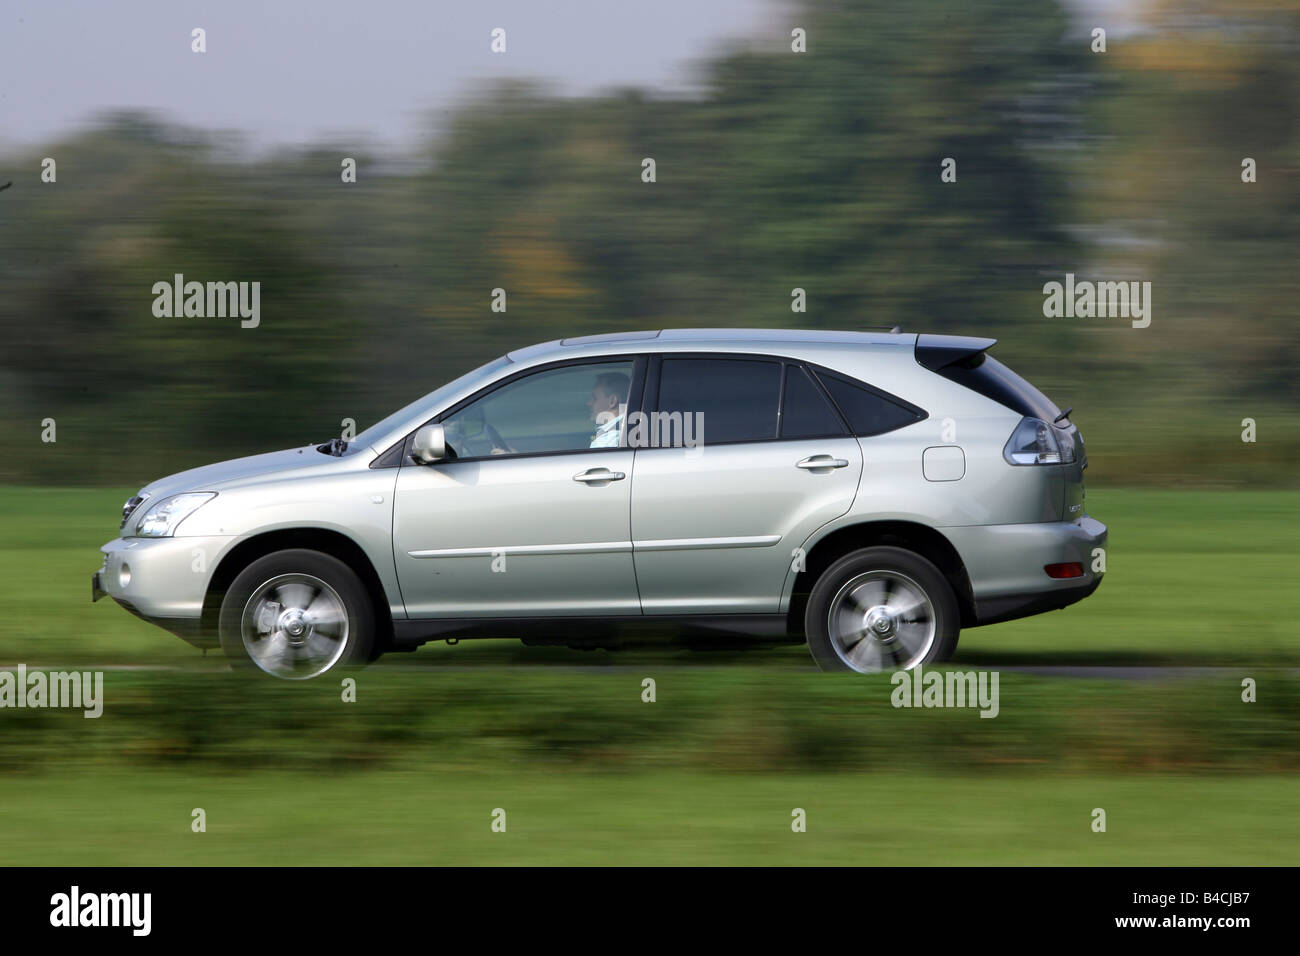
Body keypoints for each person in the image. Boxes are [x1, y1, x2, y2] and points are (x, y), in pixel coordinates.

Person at [586, 371, 629, 448]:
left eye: (594, 398)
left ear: (612, 401)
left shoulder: (609, 440)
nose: (589, 403)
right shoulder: (624, 432)